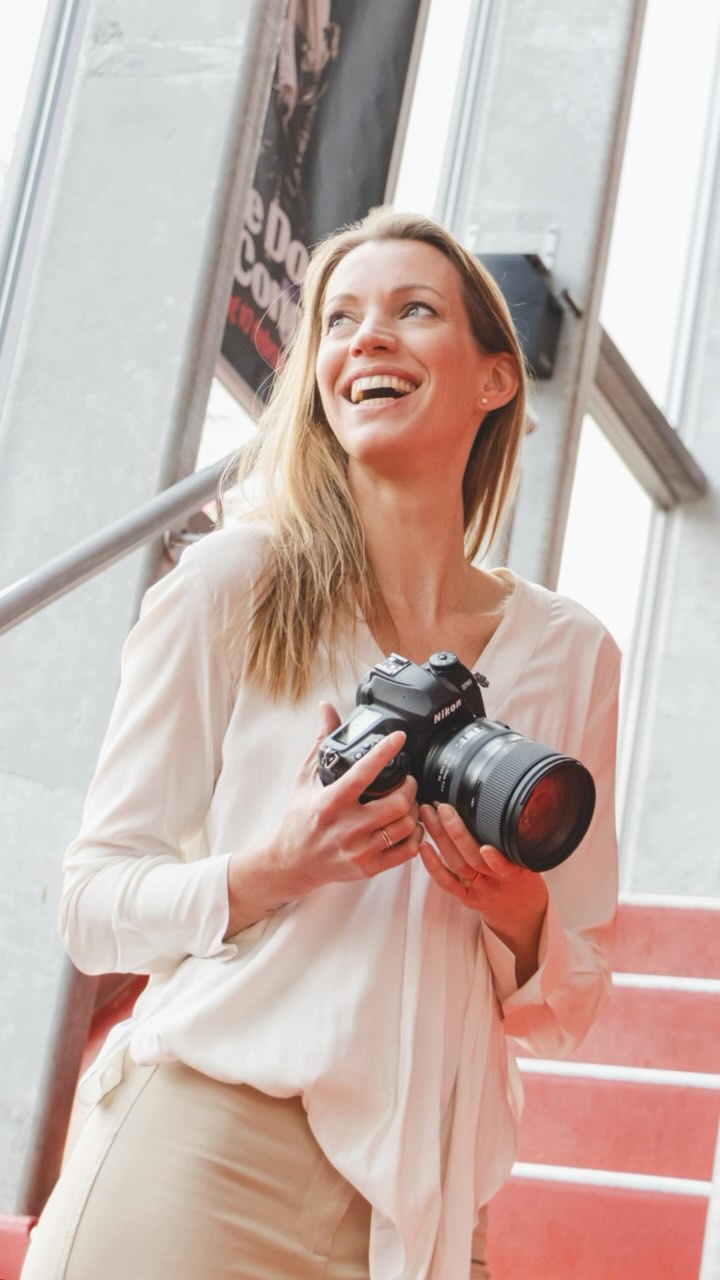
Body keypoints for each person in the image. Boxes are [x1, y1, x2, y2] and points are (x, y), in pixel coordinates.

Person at [22, 208, 620, 1280]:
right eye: (340, 319)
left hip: (430, 1203)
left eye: (413, 310)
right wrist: (276, 865)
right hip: (206, 1151)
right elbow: (91, 905)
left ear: (493, 379)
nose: (368, 338)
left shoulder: (570, 652)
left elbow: (573, 996)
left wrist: (520, 914)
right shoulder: (232, 585)